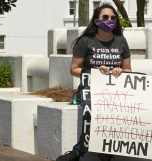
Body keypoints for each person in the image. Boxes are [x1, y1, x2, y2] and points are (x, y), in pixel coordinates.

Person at [56, 3, 131, 161]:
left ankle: (107, 150)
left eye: (112, 18)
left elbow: (128, 70)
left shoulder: (121, 41)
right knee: (90, 112)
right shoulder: (85, 41)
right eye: (105, 17)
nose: (109, 20)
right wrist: (94, 72)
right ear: (96, 20)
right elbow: (74, 69)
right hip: (90, 90)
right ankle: (80, 150)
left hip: (115, 91)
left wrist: (120, 71)